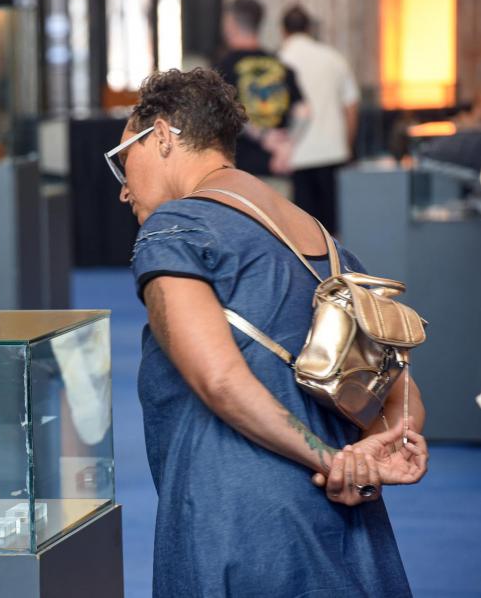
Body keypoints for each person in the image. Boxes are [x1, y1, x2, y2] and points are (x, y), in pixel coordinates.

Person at [106, 68, 428, 596]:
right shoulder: (323, 240)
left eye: (125, 161)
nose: (124, 192)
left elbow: (220, 380)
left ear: (161, 136)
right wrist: (370, 453)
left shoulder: (176, 228)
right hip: (345, 528)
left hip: (237, 521)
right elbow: (401, 393)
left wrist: (330, 459)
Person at [280, 4, 360, 233]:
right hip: (333, 154)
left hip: (294, 159)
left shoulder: (279, 60)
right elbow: (351, 106)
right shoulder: (334, 58)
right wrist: (348, 146)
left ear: (283, 31)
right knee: (332, 233)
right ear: (309, 29)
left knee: (300, 236)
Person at [215, 0, 307, 179]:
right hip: (277, 166)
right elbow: (304, 111)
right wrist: (286, 147)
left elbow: (225, 111)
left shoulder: (224, 68)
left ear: (230, 24)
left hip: (240, 172)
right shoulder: (280, 65)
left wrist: (263, 136)